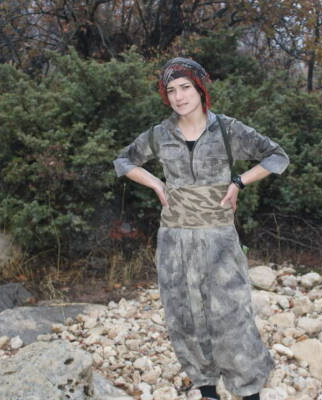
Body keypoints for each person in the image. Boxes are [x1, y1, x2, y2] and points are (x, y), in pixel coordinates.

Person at [113, 57, 289, 400]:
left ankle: (249, 391)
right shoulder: (159, 135)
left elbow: (276, 156)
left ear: (200, 88)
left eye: (185, 87)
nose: (179, 97)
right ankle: (206, 389)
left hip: (218, 237)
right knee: (183, 315)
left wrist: (239, 181)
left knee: (232, 316)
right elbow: (124, 160)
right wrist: (155, 183)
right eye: (171, 90)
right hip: (174, 238)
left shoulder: (227, 130)